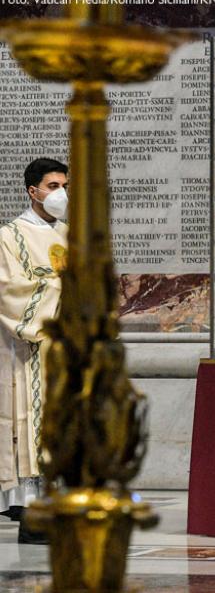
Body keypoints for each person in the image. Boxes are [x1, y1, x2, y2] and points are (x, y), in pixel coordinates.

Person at [0, 158, 69, 544]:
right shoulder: (9, 235)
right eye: (54, 185)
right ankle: (31, 512)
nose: (62, 193)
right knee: (31, 426)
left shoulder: (70, 234)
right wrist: (62, 289)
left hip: (66, 352)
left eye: (65, 185)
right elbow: (9, 288)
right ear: (33, 191)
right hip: (29, 349)